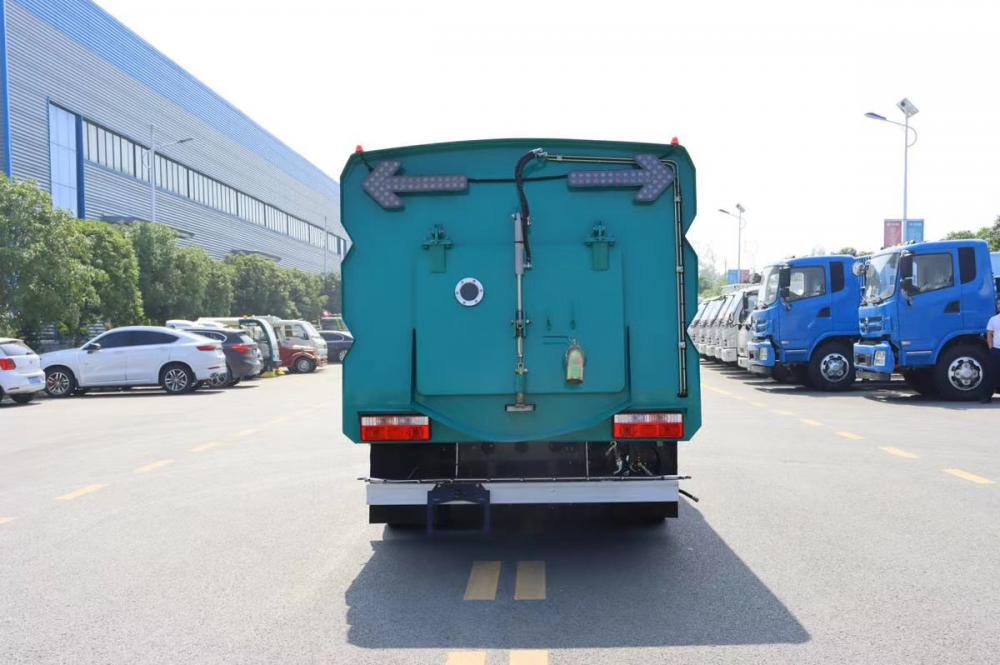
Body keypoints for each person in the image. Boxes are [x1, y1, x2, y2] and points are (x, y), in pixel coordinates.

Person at [986, 298, 1000, 402]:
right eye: (998, 304)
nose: (999, 306)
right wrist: (991, 347)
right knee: (992, 374)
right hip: (996, 350)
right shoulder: (993, 319)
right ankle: (987, 397)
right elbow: (989, 334)